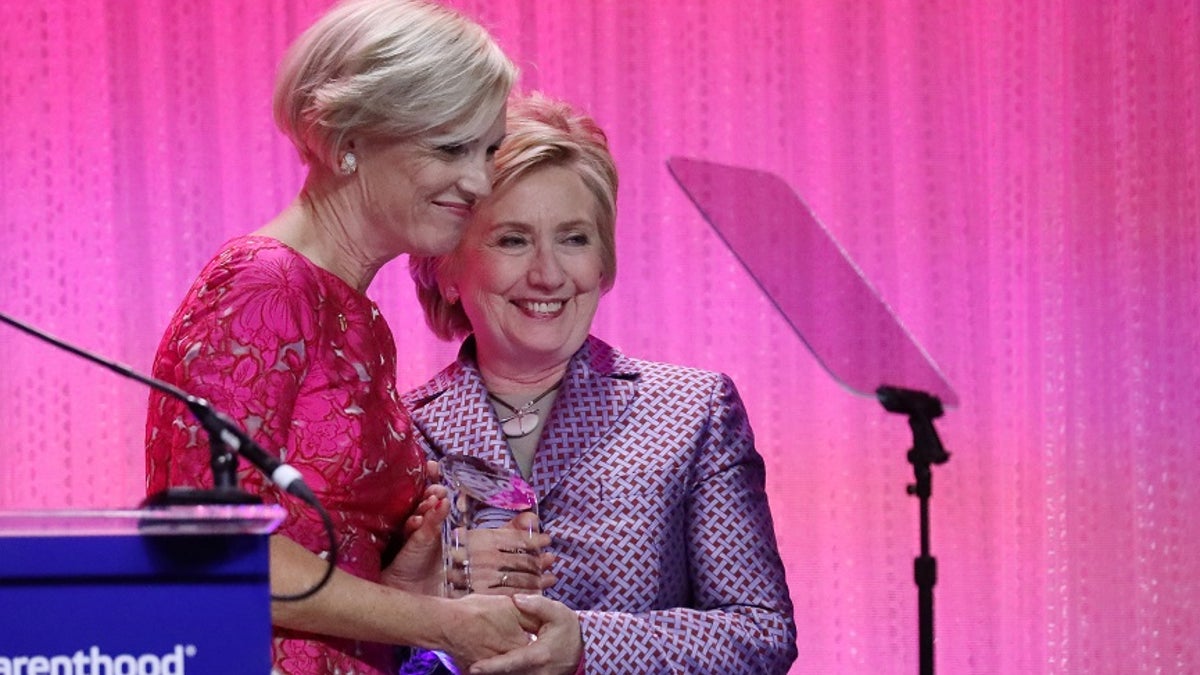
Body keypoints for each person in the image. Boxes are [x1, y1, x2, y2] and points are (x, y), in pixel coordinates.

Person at [143, 2, 548, 673]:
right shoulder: (263, 286)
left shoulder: (355, 313)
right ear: (343, 137)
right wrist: (445, 622)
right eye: (451, 148)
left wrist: (406, 575)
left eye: (489, 150)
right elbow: (211, 545)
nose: (479, 182)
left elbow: (321, 560)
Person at [405, 93, 798, 674]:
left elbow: (760, 633)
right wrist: (430, 599)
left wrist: (588, 646)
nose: (548, 273)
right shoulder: (397, 428)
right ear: (447, 270)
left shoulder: (693, 411)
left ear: (604, 262)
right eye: (512, 239)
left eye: (574, 238)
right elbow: (343, 638)